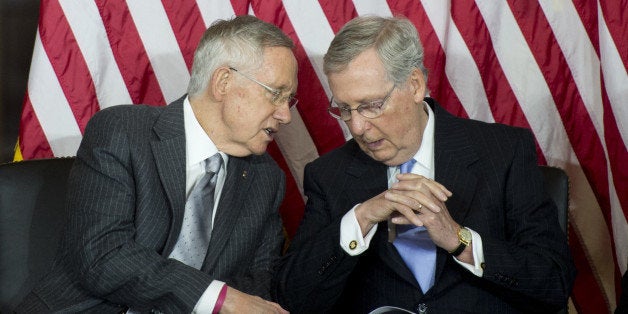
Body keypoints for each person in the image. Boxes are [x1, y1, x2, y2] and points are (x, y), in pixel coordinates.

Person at [273, 15, 576, 313]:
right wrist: (360, 220)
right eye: (345, 109)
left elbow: (553, 283)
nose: (358, 127)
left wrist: (460, 241)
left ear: (415, 85)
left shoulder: (503, 152)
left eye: (371, 106)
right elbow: (292, 299)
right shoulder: (330, 175)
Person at [18, 15, 296, 313]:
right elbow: (102, 256)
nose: (285, 115)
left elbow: (257, 282)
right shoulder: (122, 131)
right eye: (276, 94)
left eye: (289, 100)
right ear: (223, 82)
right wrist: (216, 298)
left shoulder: (266, 178)